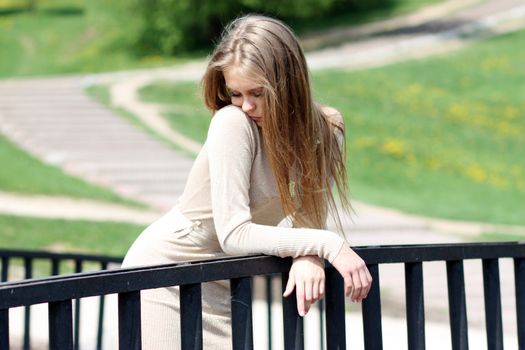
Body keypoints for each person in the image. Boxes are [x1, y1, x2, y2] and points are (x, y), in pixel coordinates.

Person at [122, 14, 372, 349]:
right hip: (165, 273)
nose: (247, 106)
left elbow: (310, 216)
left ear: (290, 85)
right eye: (236, 93)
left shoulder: (326, 130)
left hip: (222, 278)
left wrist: (308, 256)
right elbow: (234, 234)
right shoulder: (232, 123)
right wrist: (328, 245)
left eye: (259, 92)